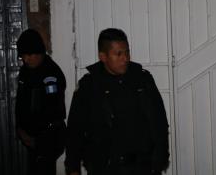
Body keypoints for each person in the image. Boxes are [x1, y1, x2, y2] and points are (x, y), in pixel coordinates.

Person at [65, 28, 169, 175]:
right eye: (118, 54)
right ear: (103, 56)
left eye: (127, 52)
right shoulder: (89, 86)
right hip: (105, 167)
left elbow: (159, 121)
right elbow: (75, 129)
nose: (125, 58)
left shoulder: (142, 79)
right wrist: (72, 167)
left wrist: (160, 158)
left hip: (141, 166)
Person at [15, 28, 66, 175]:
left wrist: (36, 137)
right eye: (24, 55)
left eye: (31, 55)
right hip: (31, 138)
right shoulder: (26, 71)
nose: (27, 59)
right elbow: (21, 102)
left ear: (40, 52)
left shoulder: (51, 74)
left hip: (48, 137)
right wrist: (20, 128)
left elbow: (52, 109)